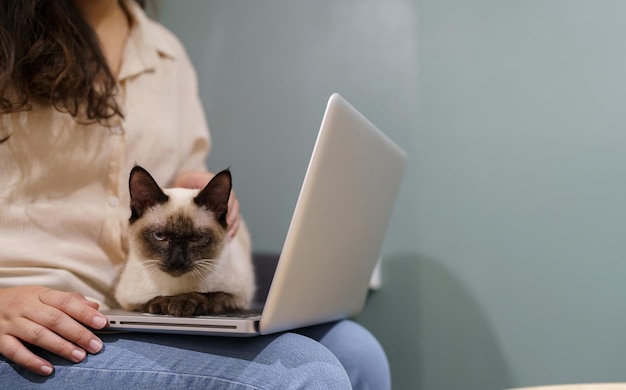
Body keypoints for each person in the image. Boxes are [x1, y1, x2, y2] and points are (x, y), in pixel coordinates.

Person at [0, 0, 391, 389]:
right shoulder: (8, 34)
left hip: (131, 308)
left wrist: (193, 184)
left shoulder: (166, 54)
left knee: (359, 353)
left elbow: (175, 186)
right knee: (305, 374)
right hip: (24, 324)